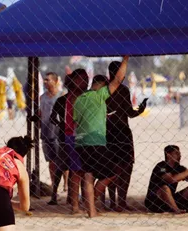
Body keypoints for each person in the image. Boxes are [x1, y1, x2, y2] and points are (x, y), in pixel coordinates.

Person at [73, 56, 129, 218]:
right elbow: (118, 80)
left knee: (89, 175)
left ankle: (92, 211)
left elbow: (77, 121)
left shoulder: (79, 100)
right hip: (95, 141)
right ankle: (89, 202)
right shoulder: (99, 96)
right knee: (111, 173)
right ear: (101, 85)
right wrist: (125, 59)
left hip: (81, 142)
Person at [105, 61, 147, 212]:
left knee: (114, 167)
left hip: (110, 132)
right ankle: (120, 201)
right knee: (124, 167)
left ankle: (114, 202)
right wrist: (139, 111)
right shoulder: (120, 90)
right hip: (120, 132)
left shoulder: (109, 90)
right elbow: (129, 112)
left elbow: (128, 112)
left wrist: (139, 110)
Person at [49, 70, 87, 213]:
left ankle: (71, 198)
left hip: (72, 137)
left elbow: (53, 118)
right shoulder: (63, 100)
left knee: (73, 169)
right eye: (82, 79)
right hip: (67, 137)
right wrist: (63, 125)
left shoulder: (70, 99)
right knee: (69, 168)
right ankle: (69, 198)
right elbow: (53, 118)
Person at [144, 145, 188, 213]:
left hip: (171, 200)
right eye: (176, 153)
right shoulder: (162, 166)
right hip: (154, 202)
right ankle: (177, 210)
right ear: (168, 155)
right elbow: (171, 179)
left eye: (180, 154)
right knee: (165, 188)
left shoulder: (179, 168)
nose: (179, 156)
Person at [39, 72, 65, 204]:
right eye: (44, 80)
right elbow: (40, 113)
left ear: (55, 81)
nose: (45, 82)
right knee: (51, 161)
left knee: (62, 161)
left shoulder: (61, 95)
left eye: (47, 80)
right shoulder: (42, 97)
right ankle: (55, 185)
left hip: (58, 133)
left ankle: (66, 185)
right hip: (45, 133)